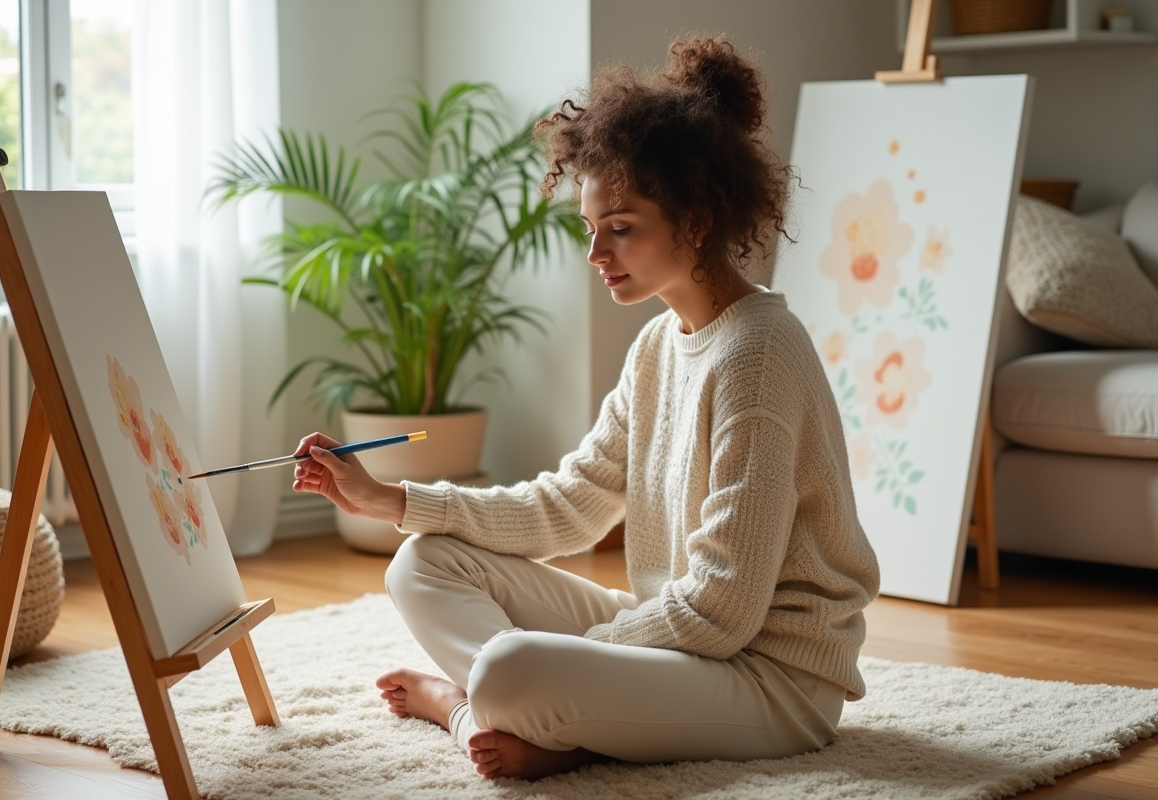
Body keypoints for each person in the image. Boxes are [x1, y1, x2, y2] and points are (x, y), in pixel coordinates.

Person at [291, 35, 880, 781]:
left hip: (772, 681)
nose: (596, 254)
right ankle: (530, 716)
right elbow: (567, 507)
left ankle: (472, 706)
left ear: (696, 220)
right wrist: (392, 498)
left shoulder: (758, 359)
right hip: (684, 646)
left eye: (621, 229)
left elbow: (725, 611)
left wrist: (585, 649)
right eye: (590, 229)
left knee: (512, 668)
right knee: (421, 563)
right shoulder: (660, 344)